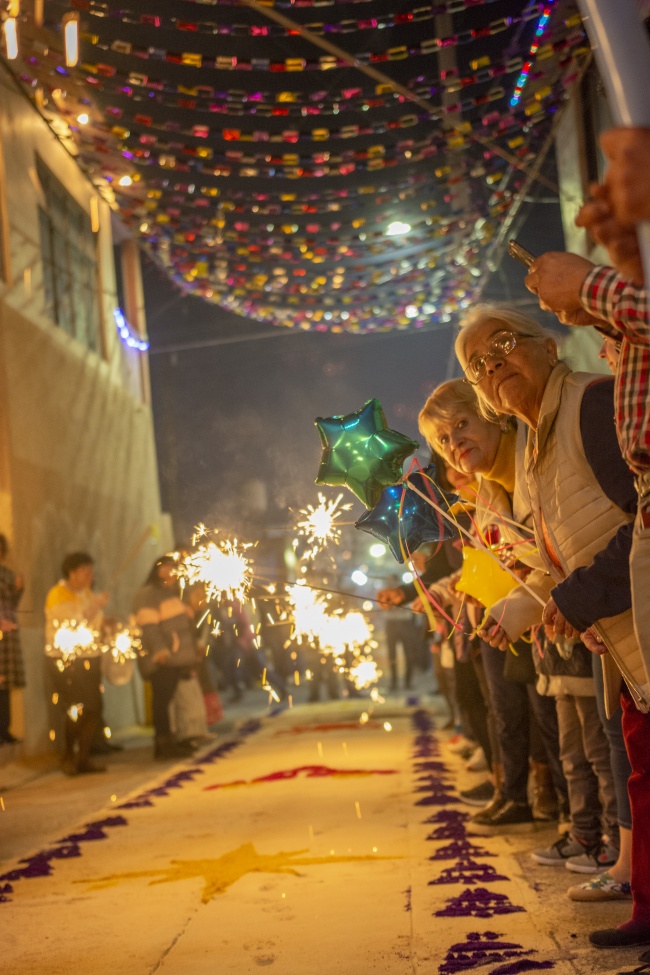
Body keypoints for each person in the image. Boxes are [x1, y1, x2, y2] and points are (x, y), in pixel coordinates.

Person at [455, 303, 650, 949]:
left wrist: (575, 599)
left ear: (545, 345)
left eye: (503, 344)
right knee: (639, 766)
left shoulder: (592, 404)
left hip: (640, 619)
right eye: (479, 365)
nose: (494, 365)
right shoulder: (537, 444)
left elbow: (639, 522)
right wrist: (527, 604)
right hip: (623, 636)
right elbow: (560, 554)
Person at [417, 381, 568, 833]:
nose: (455, 445)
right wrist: (460, 590)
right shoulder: (482, 501)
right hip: (504, 620)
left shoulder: (525, 474)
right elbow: (486, 564)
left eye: (462, 425)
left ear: (493, 416)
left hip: (551, 620)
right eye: (443, 440)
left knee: (552, 724)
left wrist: (514, 588)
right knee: (507, 713)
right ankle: (524, 795)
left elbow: (545, 556)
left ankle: (567, 813)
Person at [45, 552, 109, 775]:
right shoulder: (58, 594)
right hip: (67, 659)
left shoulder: (86, 593)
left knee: (94, 709)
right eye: (85, 571)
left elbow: (94, 625)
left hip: (89, 657)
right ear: (71, 573)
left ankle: (84, 758)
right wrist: (94, 607)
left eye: (91, 571)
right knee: (77, 709)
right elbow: (70, 625)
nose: (90, 576)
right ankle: (68, 755)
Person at [133, 556, 199, 760]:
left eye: (173, 569)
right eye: (165, 569)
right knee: (162, 702)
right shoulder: (148, 595)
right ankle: (162, 744)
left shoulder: (174, 593)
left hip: (177, 658)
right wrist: (160, 651)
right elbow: (149, 627)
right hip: (162, 659)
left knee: (173, 701)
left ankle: (175, 740)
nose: (170, 573)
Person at [0, 534, 25, 745]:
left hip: (6, 633)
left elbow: (11, 602)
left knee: (4, 682)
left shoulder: (7, 573)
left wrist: (19, 589)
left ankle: (5, 729)